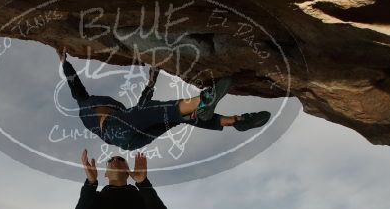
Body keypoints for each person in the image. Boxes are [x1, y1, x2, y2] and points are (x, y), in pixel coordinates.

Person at [59, 49, 271, 151]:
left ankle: (234, 121)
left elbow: (141, 109)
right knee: (156, 111)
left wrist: (152, 80)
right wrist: (64, 62)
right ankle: (203, 100)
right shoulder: (85, 105)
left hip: (132, 141)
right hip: (116, 133)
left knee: (172, 117)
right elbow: (75, 86)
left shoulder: (120, 110)